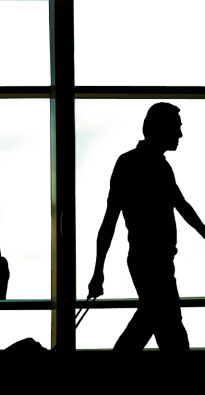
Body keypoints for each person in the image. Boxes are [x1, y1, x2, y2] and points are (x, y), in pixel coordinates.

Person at [89, 102, 205, 351]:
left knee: (156, 322)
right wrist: (97, 271)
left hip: (152, 262)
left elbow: (180, 205)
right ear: (160, 128)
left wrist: (98, 271)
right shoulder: (141, 165)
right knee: (167, 327)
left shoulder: (150, 165)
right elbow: (110, 221)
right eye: (176, 127)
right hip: (151, 263)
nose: (180, 134)